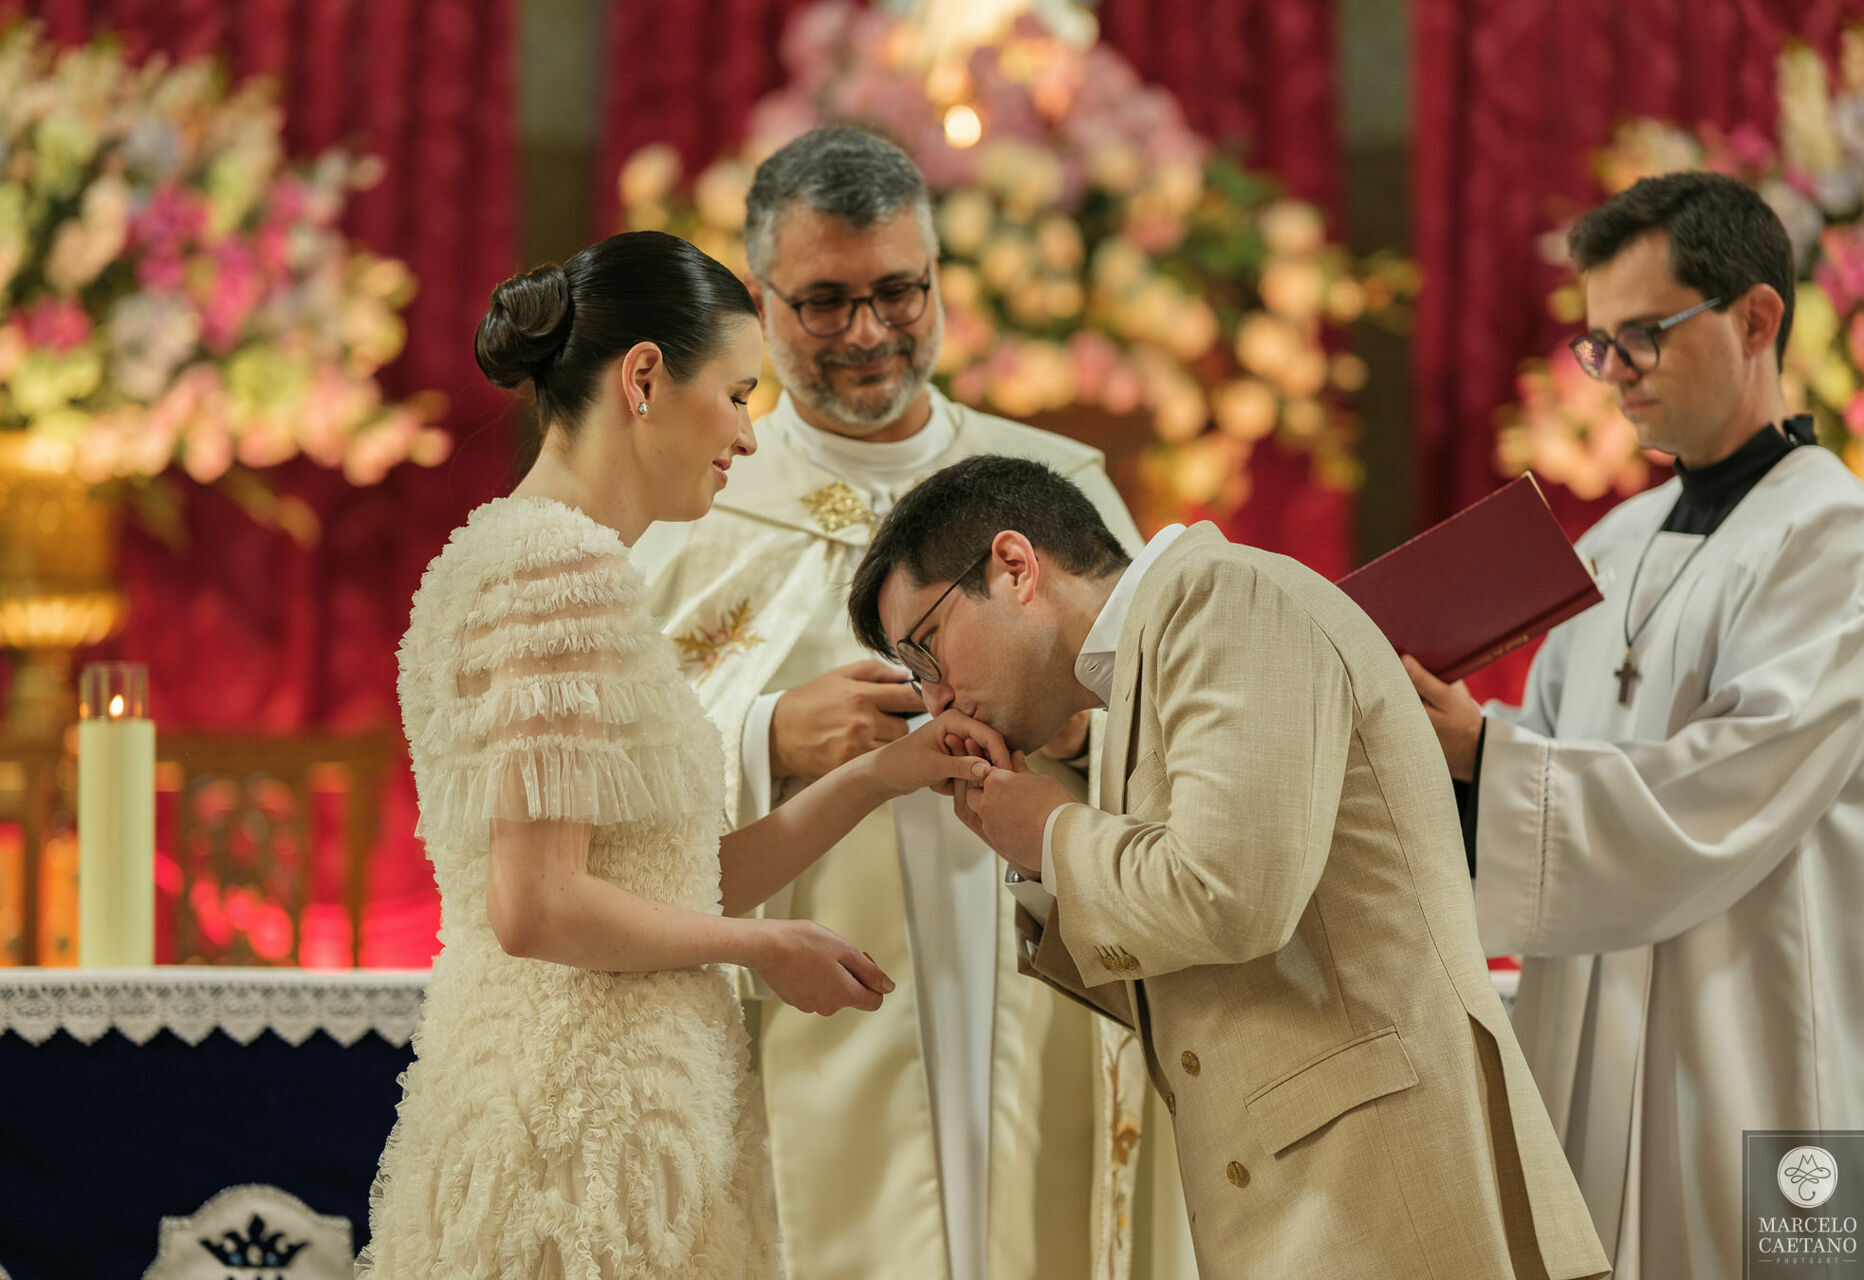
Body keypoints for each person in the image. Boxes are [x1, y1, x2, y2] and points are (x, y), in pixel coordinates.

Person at [359, 231, 995, 1279]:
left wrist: (878, 775)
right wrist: (761, 947)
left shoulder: (548, 557)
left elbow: (670, 880)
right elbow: (536, 906)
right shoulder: (550, 571)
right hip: (575, 1119)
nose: (747, 437)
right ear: (644, 376)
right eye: (737, 392)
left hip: (631, 1097)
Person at [846, 455, 1613, 1280]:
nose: (934, 700)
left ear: (1014, 566)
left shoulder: (1225, 597)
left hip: (1386, 1181)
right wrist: (1041, 858)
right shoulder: (1135, 676)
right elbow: (1184, 977)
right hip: (1307, 1188)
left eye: (926, 653)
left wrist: (1052, 834)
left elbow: (1233, 897)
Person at [627, 127, 1165, 1280]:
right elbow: (605, 772)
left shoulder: (1057, 482)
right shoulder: (694, 509)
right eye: (824, 303)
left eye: (896, 292)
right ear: (760, 301)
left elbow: (1166, 708)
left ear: (937, 281)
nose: (868, 333)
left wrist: (1077, 722)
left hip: (1041, 946)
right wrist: (771, 732)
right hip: (818, 975)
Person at [1405, 171, 1864, 1280]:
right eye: (1599, 344)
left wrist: (1483, 754)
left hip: (1765, 1041)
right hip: (1594, 1016)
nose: (1615, 373)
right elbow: (1536, 751)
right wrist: (1434, 748)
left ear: (1756, 317)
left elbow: (1728, 786)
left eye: (1644, 334)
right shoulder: (1614, 542)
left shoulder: (1836, 539)